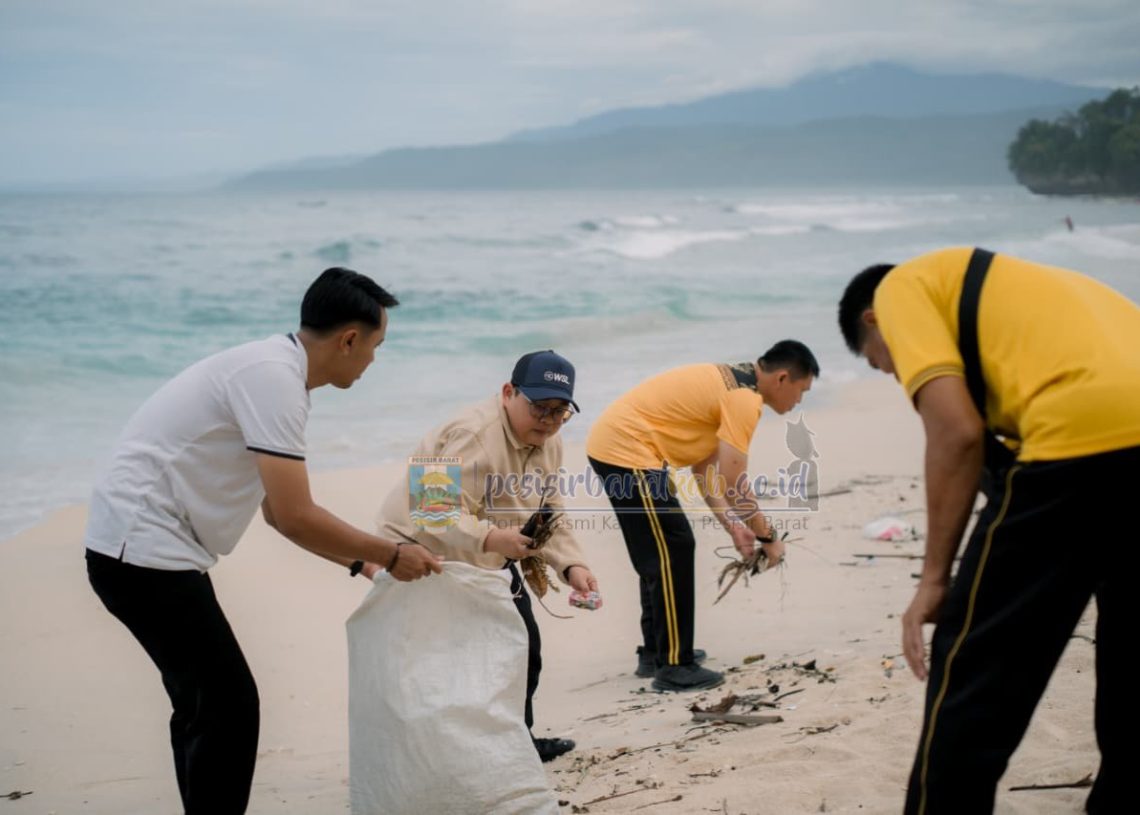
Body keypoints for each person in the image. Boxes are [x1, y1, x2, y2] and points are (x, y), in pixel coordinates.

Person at [83, 267, 443, 815]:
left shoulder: (274, 371)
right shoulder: (274, 382)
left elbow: (276, 513)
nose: (374, 360)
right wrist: (392, 554)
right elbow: (297, 516)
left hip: (137, 551)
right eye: (376, 346)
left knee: (204, 704)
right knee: (228, 705)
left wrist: (365, 566)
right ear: (349, 339)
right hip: (142, 554)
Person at [837, 247, 1140, 814]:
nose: (901, 375)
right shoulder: (1031, 293)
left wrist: (933, 581)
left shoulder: (899, 290)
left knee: (974, 670)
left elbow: (957, 433)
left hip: (1079, 439)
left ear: (872, 321)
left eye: (884, 363)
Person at [369, 349, 599, 763]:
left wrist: (571, 565)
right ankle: (445, 757)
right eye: (539, 407)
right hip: (419, 556)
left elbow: (549, 510)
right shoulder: (469, 432)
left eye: (560, 411)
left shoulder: (550, 440)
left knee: (523, 649)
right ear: (509, 392)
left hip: (490, 551)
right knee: (443, 667)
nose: (549, 421)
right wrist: (492, 538)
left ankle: (516, 745)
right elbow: (430, 509)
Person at [586, 341, 818, 692]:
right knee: (674, 547)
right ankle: (675, 666)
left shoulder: (735, 384)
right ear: (783, 378)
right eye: (802, 391)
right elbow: (735, 484)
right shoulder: (745, 399)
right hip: (627, 451)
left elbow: (705, 472)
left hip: (615, 446)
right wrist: (769, 538)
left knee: (660, 551)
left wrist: (734, 528)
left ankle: (657, 652)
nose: (799, 401)